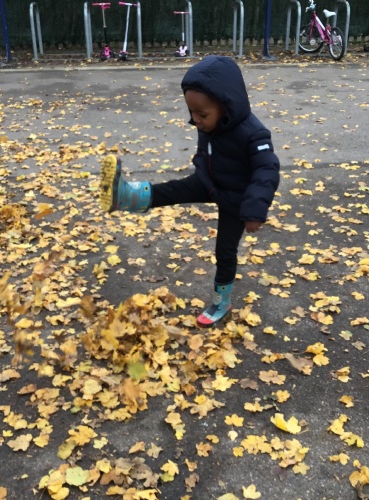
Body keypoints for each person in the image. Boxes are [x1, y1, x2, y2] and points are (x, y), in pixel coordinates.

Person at [100, 55, 280, 328]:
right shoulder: (209, 121)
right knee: (173, 190)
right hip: (211, 182)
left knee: (225, 251)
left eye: (202, 115)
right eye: (191, 113)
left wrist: (254, 210)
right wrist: (200, 165)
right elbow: (206, 149)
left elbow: (267, 170)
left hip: (236, 198)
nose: (195, 120)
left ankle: (221, 302)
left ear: (226, 106)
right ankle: (126, 196)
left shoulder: (254, 134)